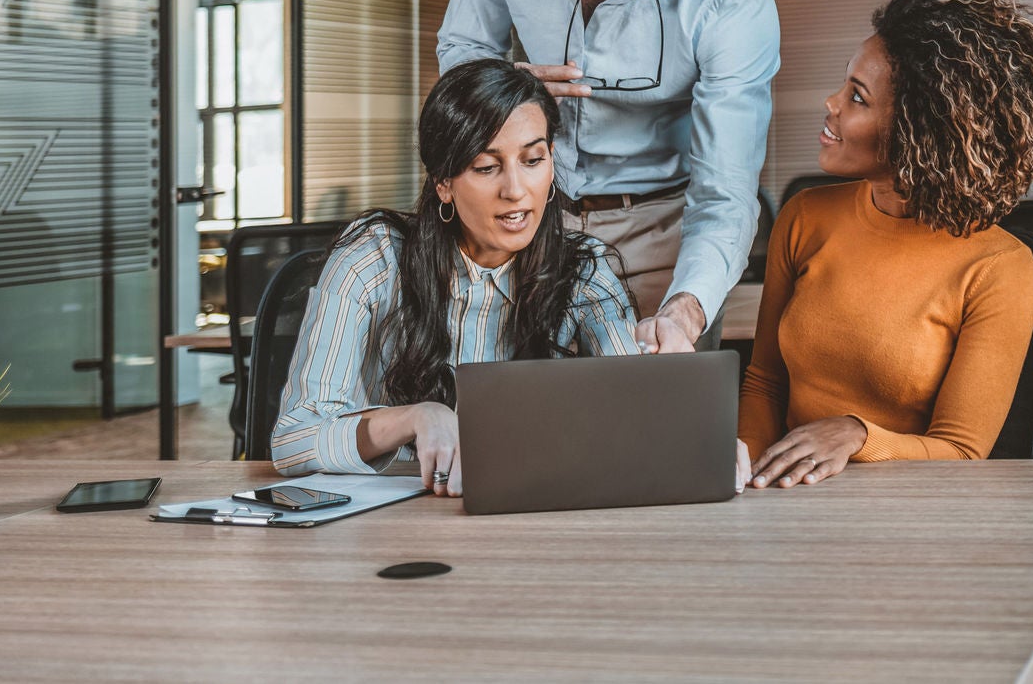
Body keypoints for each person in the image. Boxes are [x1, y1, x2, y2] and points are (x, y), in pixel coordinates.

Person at [271, 60, 744, 494]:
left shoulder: (585, 269)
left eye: (533, 160)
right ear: (443, 183)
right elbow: (294, 439)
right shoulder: (373, 258)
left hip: (529, 519)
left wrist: (704, 442)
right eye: (486, 167)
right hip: (393, 525)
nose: (516, 191)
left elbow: (637, 414)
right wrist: (415, 418)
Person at [436, 0, 780, 355]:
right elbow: (466, 47)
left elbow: (726, 194)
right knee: (516, 421)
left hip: (662, 232)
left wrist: (685, 310)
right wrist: (501, 92)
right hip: (528, 219)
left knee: (654, 433)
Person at [739, 0, 1033, 488]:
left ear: (919, 133)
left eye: (857, 97)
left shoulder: (998, 267)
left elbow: (962, 451)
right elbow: (764, 384)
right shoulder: (804, 217)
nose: (831, 103)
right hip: (789, 499)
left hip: (914, 514)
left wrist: (857, 435)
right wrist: (746, 477)